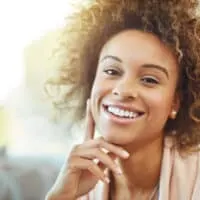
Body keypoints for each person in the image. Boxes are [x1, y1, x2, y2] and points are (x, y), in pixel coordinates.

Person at [45, 0, 200, 199]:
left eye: (149, 80)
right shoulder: (79, 177)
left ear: (175, 103)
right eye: (111, 71)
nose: (124, 90)